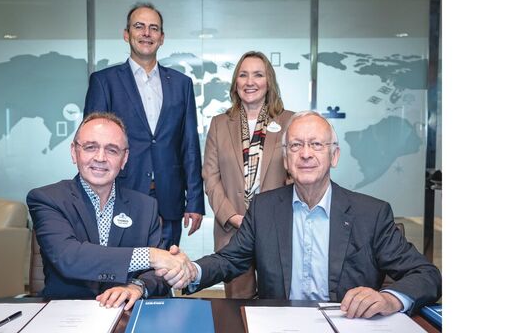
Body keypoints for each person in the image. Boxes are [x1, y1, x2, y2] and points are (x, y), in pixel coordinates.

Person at [164, 111, 442, 318]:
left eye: (316, 145)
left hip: (347, 324)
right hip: (281, 324)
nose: (305, 154)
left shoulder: (371, 213)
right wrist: (192, 271)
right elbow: (229, 260)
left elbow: (426, 274)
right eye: (296, 146)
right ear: (286, 160)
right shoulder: (264, 208)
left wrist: (390, 299)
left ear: (334, 156)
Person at [27, 112, 196, 310]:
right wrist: (151, 255)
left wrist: (137, 286)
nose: (100, 158)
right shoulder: (47, 199)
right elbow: (69, 257)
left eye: (112, 150)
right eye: (90, 147)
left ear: (124, 159)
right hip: (66, 314)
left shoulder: (145, 207)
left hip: (125, 315)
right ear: (74, 152)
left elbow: (158, 274)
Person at [83, 2, 204, 249]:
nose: (146, 33)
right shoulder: (105, 82)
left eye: (153, 28)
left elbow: (189, 145)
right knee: (122, 272)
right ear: (127, 34)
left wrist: (194, 201)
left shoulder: (182, 84)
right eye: (139, 27)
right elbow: (91, 144)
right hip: (119, 193)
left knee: (165, 273)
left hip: (169, 198)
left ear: (162, 38)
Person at [202, 51, 293, 298]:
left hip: (276, 228)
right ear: (235, 82)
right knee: (236, 305)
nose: (249, 81)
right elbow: (210, 176)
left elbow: (294, 176)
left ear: (269, 82)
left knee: (277, 303)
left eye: (258, 75)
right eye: (243, 75)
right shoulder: (220, 123)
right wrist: (231, 216)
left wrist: (274, 216)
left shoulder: (289, 121)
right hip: (233, 231)